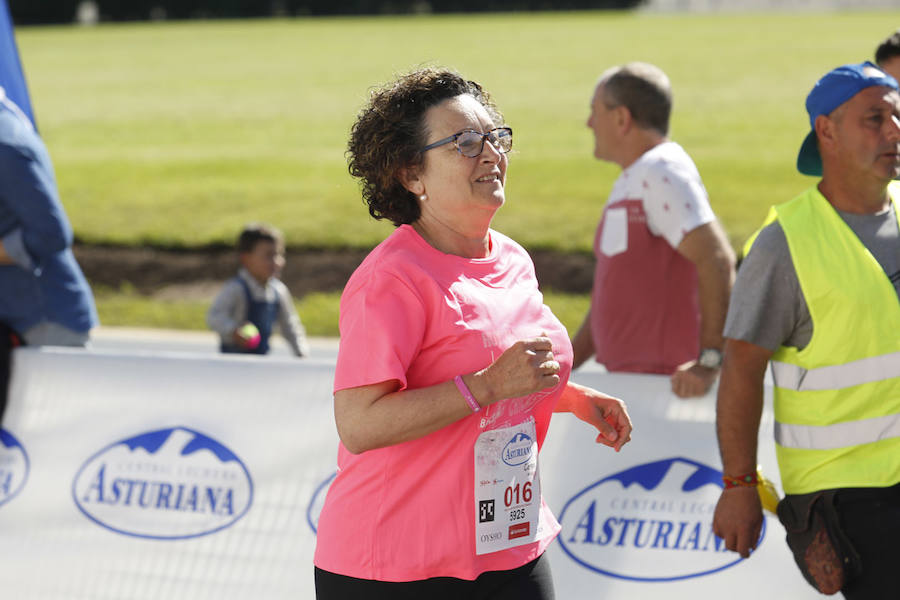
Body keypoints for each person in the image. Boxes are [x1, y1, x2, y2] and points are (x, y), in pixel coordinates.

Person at [313, 67, 633, 600]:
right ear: (412, 176)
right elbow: (359, 424)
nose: (490, 154)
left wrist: (570, 397)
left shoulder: (512, 258)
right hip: (396, 566)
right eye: (464, 142)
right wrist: (487, 385)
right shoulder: (390, 280)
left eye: (495, 136)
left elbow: (497, 371)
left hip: (507, 543)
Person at [712, 62, 900, 599]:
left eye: (897, 117)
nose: (894, 131)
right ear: (827, 132)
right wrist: (740, 486)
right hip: (851, 499)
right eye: (875, 118)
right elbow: (742, 370)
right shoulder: (782, 245)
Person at [570, 62, 735, 398]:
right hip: (634, 384)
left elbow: (717, 259)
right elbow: (609, 295)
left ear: (621, 118)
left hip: (664, 390)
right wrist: (568, 367)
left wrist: (710, 360)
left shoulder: (660, 170)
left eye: (595, 111)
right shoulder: (636, 176)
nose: (589, 123)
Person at [0, 86, 98, 419]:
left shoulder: (5, 145)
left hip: (45, 322)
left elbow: (51, 233)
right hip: (23, 318)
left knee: (50, 450)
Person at [206, 223, 309, 357]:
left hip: (261, 363)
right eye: (268, 255)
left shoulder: (278, 291)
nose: (276, 261)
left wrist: (301, 353)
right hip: (232, 364)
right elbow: (215, 316)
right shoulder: (236, 288)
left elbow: (290, 326)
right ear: (246, 259)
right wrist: (233, 331)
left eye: (278, 255)